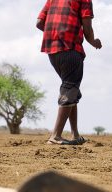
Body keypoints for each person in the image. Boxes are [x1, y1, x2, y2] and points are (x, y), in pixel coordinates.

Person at [36, 0, 102, 145]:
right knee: (70, 89)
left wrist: (56, 33)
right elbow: (87, 27)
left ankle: (75, 135)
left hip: (52, 51)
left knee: (71, 89)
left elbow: (39, 23)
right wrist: (93, 41)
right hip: (70, 49)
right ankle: (55, 136)